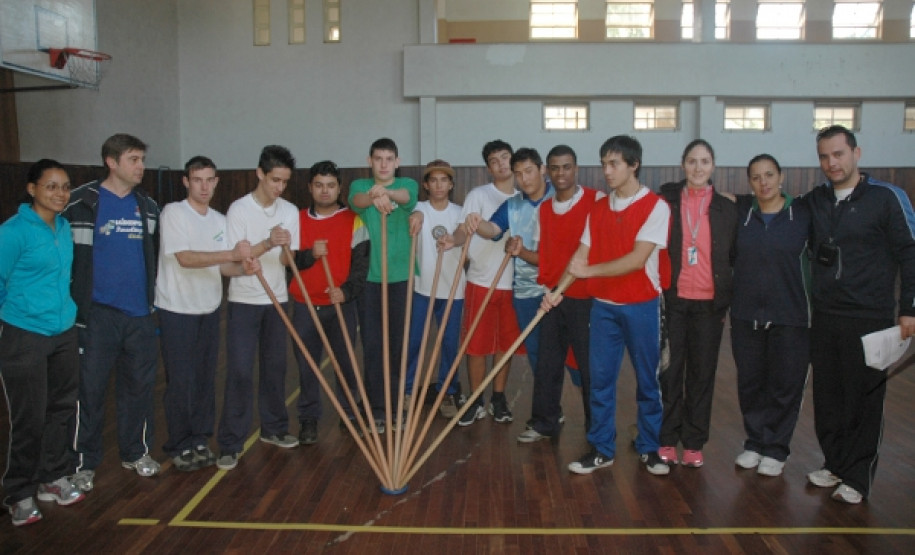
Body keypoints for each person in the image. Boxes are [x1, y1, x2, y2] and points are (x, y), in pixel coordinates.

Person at [545, 135, 672, 477]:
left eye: (614, 164)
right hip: (603, 308)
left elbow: (636, 260)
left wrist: (589, 272)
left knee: (647, 381)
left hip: (641, 305)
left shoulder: (656, 207)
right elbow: (580, 256)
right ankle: (602, 449)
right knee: (599, 381)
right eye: (604, 164)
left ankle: (650, 447)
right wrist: (557, 291)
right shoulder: (598, 208)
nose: (607, 171)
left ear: (634, 165)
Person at [806, 125, 915, 504]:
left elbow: (910, 253)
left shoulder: (887, 198)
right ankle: (834, 464)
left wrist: (910, 309)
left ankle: (857, 476)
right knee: (828, 398)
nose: (831, 163)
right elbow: (777, 208)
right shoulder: (817, 199)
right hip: (825, 316)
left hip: (871, 317)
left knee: (863, 400)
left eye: (838, 154)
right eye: (824, 156)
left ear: (856, 153)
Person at [64, 134, 162, 492]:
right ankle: (83, 463)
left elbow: (152, 257)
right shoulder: (80, 202)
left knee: (139, 389)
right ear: (111, 161)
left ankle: (135, 452)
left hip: (139, 316)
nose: (141, 166)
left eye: (142, 159)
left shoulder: (147, 206)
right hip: (97, 316)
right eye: (134, 159)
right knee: (89, 392)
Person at [155, 156, 260, 472]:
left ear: (216, 182)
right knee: (180, 380)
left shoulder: (218, 220)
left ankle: (199, 439)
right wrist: (232, 253)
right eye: (197, 180)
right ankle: (179, 443)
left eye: (209, 180)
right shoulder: (174, 213)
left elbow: (224, 266)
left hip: (209, 308)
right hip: (177, 309)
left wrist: (243, 268)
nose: (204, 186)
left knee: (204, 378)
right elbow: (185, 258)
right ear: (186, 182)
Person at [1, 160, 84, 526]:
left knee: (61, 408)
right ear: (32, 189)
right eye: (51, 186)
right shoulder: (13, 232)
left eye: (65, 187)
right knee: (29, 417)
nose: (60, 194)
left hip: (63, 332)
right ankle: (19, 492)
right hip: (25, 335)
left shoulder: (63, 228)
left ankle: (54, 476)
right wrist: (17, 315)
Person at [216, 145, 301, 470]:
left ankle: (274, 428)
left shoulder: (289, 211)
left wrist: (286, 248)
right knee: (239, 370)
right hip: (244, 302)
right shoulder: (239, 210)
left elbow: (287, 261)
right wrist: (267, 243)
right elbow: (234, 258)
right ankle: (230, 442)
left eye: (285, 181)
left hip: (277, 299)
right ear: (260, 174)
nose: (280, 187)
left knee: (275, 367)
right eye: (275, 180)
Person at [658, 139, 737, 468]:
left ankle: (693, 443)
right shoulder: (667, 202)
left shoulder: (726, 209)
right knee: (670, 372)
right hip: (674, 301)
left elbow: (733, 256)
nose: (698, 167)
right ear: (683, 165)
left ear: (713, 166)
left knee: (702, 375)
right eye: (692, 161)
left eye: (704, 161)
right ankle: (666, 438)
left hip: (709, 306)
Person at [730, 154, 811, 478]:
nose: (763, 182)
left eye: (769, 175)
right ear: (749, 182)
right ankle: (755, 443)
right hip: (745, 315)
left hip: (790, 316)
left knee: (784, 386)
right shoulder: (742, 214)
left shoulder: (802, 214)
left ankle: (776, 448)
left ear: (781, 177)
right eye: (756, 177)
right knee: (750, 383)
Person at [518, 145, 600, 443]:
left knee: (590, 368)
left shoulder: (597, 201)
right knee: (547, 363)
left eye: (566, 167)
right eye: (554, 167)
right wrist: (521, 252)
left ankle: (597, 430)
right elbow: (545, 256)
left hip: (586, 298)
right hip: (553, 297)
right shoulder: (544, 210)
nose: (560, 173)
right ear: (547, 172)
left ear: (576, 168)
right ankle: (545, 422)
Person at [440, 140, 520, 427]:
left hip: (514, 284)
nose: (501, 164)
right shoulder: (478, 195)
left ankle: (498, 398)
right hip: (480, 279)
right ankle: (475, 399)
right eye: (494, 161)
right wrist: (453, 240)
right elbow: (464, 230)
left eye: (505, 157)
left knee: (505, 345)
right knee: (476, 345)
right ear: (488, 168)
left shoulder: (524, 197)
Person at [290, 160, 368, 444]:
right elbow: (288, 262)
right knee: (307, 365)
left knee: (345, 362)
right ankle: (308, 419)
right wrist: (309, 255)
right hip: (304, 304)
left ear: (339, 188)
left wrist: (346, 292)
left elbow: (361, 266)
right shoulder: (296, 219)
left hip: (340, 306)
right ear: (310, 188)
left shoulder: (355, 220)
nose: (325, 191)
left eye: (331, 185)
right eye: (319, 185)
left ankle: (348, 413)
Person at [348, 138, 418, 432]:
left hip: (401, 278)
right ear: (370, 161)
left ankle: (395, 405)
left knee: (398, 345)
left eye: (389, 159)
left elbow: (407, 198)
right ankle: (377, 408)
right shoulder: (359, 185)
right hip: (369, 280)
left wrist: (385, 192)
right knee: (373, 344)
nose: (384, 164)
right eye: (378, 158)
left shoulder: (407, 184)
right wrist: (374, 194)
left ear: (397, 162)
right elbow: (358, 201)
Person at [405, 160, 467, 418]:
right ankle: (408, 390)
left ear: (451, 185)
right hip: (422, 289)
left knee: (450, 344)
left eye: (444, 180)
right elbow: (414, 216)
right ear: (426, 185)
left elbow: (462, 233)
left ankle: (447, 391)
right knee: (414, 342)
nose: (439, 185)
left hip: (453, 290)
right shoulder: (418, 208)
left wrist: (454, 239)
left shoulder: (460, 212)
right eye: (434, 180)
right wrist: (416, 217)